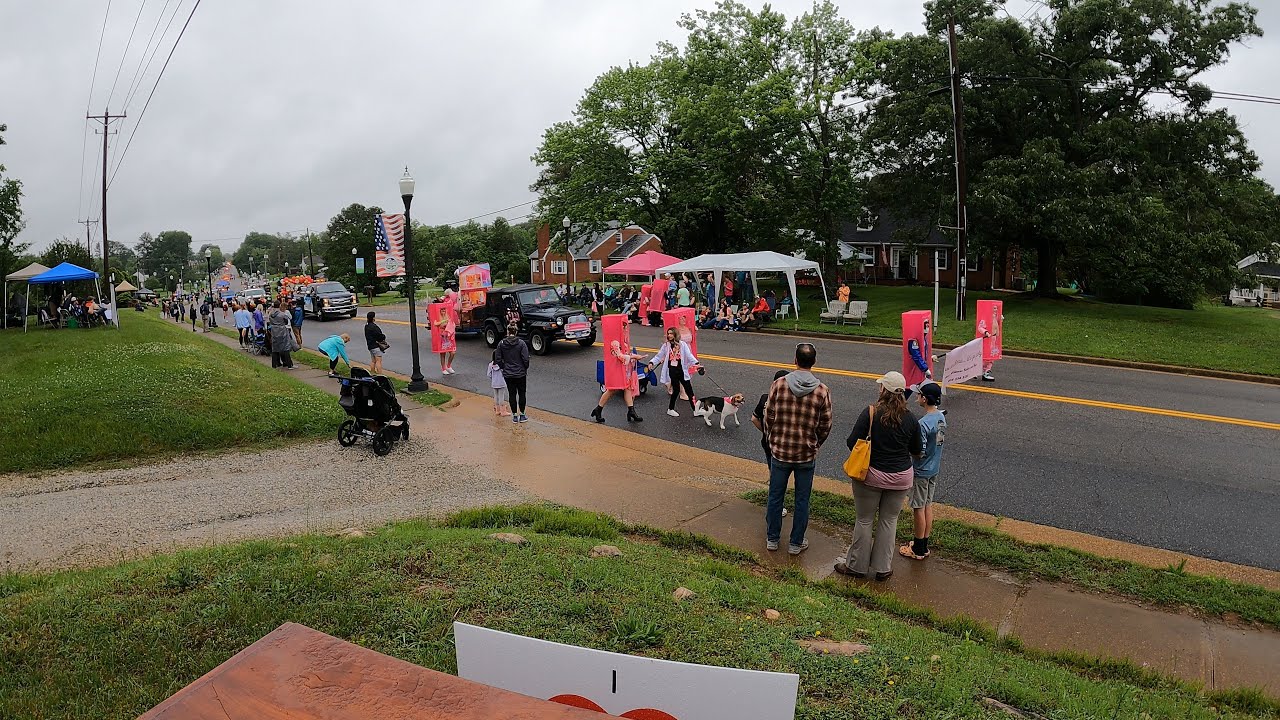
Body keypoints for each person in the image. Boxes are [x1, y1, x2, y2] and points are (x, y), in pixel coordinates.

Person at [834, 371, 924, 581]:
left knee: (864, 520)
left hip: (871, 475)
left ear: (884, 389)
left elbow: (851, 442)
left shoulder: (871, 413)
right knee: (889, 521)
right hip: (901, 477)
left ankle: (857, 566)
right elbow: (917, 449)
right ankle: (883, 568)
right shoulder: (911, 419)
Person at [763, 343, 832, 555]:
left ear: (795, 360)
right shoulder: (822, 391)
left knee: (775, 496)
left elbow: (769, 416)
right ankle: (795, 543)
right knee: (802, 500)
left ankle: (772, 539)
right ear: (814, 362)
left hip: (780, 451)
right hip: (806, 454)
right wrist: (816, 443)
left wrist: (772, 438)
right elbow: (825, 425)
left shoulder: (778, 384)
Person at [901, 382, 946, 561]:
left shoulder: (923, 424)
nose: (917, 397)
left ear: (924, 399)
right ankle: (924, 544)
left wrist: (907, 450)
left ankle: (918, 549)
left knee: (918, 508)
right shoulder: (941, 417)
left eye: (919, 394)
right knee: (927, 505)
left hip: (921, 471)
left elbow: (919, 451)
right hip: (934, 468)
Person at [591, 318, 646, 424]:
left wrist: (635, 356)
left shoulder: (622, 340)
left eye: (625, 326)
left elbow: (626, 354)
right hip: (616, 369)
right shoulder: (615, 342)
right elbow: (620, 356)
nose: (625, 329)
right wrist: (634, 357)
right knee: (612, 389)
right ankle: (598, 409)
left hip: (624, 368)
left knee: (627, 388)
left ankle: (631, 411)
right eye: (623, 327)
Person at [647, 327, 699, 417]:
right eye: (668, 334)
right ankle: (670, 409)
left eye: (671, 333)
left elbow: (689, 355)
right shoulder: (666, 345)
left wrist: (696, 363)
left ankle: (695, 410)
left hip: (682, 370)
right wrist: (652, 362)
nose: (669, 335)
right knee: (676, 390)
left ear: (675, 334)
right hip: (672, 371)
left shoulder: (682, 344)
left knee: (689, 390)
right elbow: (659, 356)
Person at [495, 322, 530, 423]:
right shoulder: (521, 343)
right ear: (516, 331)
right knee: (522, 393)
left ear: (507, 331)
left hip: (508, 373)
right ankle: (522, 414)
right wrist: (524, 368)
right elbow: (526, 359)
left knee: (512, 394)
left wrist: (504, 367)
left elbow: (498, 359)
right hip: (520, 373)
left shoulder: (501, 344)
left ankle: (514, 415)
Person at [268, 300, 296, 369]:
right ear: (279, 305)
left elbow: (270, 321)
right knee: (286, 348)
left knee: (275, 348)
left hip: (274, 332)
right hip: (282, 331)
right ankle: (289, 365)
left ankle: (274, 365)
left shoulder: (270, 314)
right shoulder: (282, 314)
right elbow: (286, 321)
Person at [488, 351, 510, 416]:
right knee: (501, 397)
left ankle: (497, 410)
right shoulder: (503, 365)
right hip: (501, 383)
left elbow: (489, 374)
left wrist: (493, 379)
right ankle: (503, 411)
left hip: (494, 383)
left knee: (496, 396)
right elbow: (506, 372)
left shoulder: (491, 365)